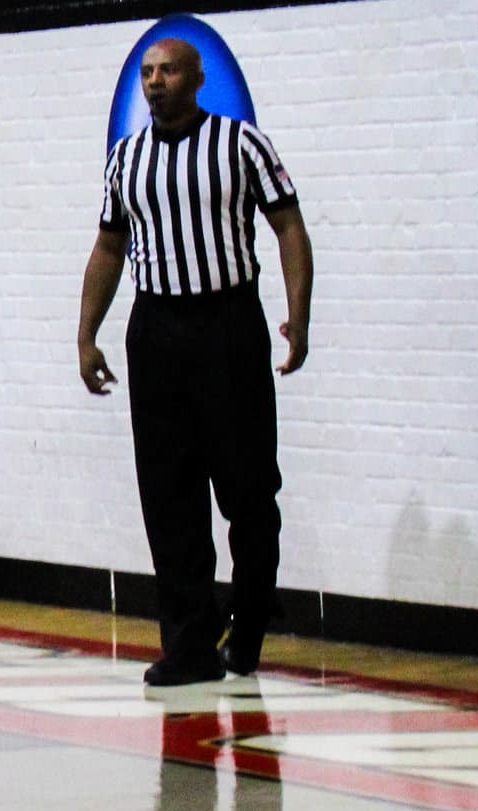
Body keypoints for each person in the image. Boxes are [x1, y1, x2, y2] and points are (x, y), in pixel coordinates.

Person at [77, 37, 313, 687]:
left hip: (228, 324)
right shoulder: (126, 159)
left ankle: (253, 611)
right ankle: (188, 642)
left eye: (169, 70)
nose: (155, 82)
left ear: (198, 78)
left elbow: (289, 227)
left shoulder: (241, 145)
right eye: (148, 72)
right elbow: (108, 246)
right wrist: (86, 333)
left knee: (248, 490)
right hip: (156, 330)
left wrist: (300, 314)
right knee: (168, 494)